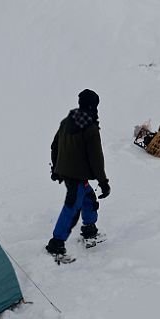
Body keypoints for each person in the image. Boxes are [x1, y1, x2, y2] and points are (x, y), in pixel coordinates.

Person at [47, 89, 110, 257]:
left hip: (68, 173)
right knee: (72, 206)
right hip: (77, 175)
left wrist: (56, 168)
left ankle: (90, 231)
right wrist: (103, 182)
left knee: (88, 198)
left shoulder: (66, 121)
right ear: (93, 105)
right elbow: (96, 158)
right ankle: (56, 243)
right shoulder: (90, 128)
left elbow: (55, 146)